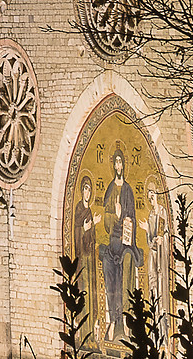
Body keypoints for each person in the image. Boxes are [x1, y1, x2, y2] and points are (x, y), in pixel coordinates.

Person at [99, 145, 142, 337]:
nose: (118, 164)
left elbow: (132, 215)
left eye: (120, 161)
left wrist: (126, 219)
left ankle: (126, 318)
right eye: (115, 161)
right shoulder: (110, 188)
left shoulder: (128, 190)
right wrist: (114, 215)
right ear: (113, 165)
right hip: (113, 242)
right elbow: (106, 221)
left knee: (127, 263)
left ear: (123, 164)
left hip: (126, 243)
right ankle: (112, 320)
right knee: (108, 267)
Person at [74, 174, 101, 340]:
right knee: (83, 289)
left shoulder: (89, 210)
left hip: (89, 258)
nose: (87, 192)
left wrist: (93, 227)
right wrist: (84, 228)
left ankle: (90, 330)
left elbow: (92, 238)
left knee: (91, 292)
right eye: (85, 189)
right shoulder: (78, 210)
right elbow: (76, 233)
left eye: (89, 189)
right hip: (82, 261)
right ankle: (82, 330)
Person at [145, 183, 173, 333]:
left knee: (161, 285)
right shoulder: (150, 215)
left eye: (153, 195)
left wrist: (163, 239)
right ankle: (154, 318)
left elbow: (165, 232)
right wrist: (147, 231)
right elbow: (150, 240)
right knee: (153, 283)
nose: (151, 199)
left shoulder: (162, 212)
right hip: (154, 253)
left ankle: (163, 323)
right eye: (149, 196)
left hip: (161, 255)